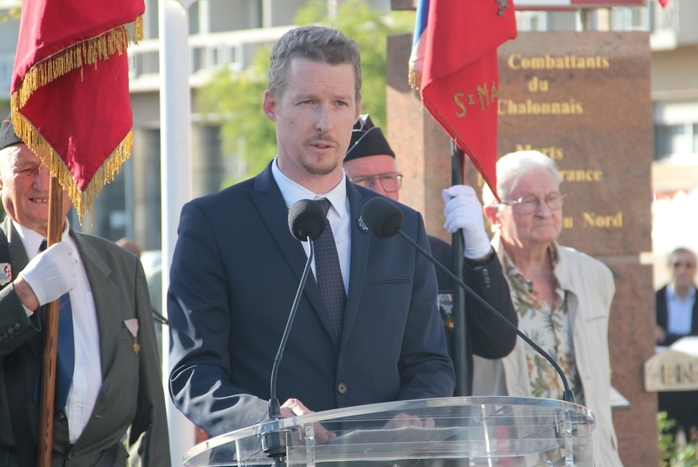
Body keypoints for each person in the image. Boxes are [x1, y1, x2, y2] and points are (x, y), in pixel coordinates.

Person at [167, 25, 455, 438]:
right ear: (272, 105)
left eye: (339, 103)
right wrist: (269, 420)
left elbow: (430, 363)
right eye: (308, 102)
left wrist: (414, 417)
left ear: (357, 109)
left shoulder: (399, 226)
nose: (325, 122)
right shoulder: (212, 223)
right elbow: (193, 373)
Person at [0, 119, 170, 466]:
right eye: (27, 169)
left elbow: (149, 412)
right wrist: (23, 296)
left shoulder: (121, 266)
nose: (43, 182)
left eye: (54, 168)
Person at [468, 150, 623, 467]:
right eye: (528, 201)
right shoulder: (472, 281)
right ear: (494, 214)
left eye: (552, 198)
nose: (544, 211)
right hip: (510, 459)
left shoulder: (595, 276)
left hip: (590, 458)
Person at [343, 114, 517, 394]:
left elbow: (498, 341)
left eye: (389, 178)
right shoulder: (329, 261)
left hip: (443, 429)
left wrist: (478, 250)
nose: (381, 191)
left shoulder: (435, 255)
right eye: (362, 180)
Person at [656, 247, 698, 442]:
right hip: (664, 383)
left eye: (688, 265)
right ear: (668, 268)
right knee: (665, 443)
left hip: (695, 384)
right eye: (677, 265)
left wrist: (666, 336)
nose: (682, 270)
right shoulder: (652, 300)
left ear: (695, 269)